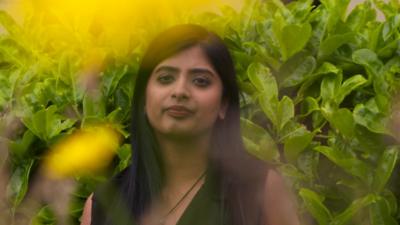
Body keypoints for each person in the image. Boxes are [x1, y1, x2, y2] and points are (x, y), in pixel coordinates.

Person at [80, 24, 300, 225]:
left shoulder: (258, 190)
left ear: (224, 103)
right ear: (144, 99)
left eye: (200, 81)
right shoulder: (104, 205)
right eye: (165, 78)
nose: (180, 91)